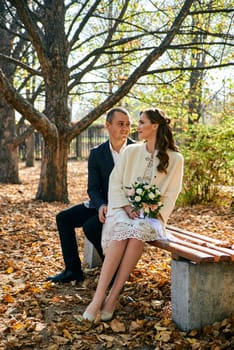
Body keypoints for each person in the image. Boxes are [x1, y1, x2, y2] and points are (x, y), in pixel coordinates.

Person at [82, 107, 184, 321]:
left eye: (141, 122)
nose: (135, 127)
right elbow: (115, 182)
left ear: (154, 126)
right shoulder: (131, 151)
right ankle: (99, 297)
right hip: (123, 208)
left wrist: (150, 210)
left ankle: (113, 297)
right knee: (122, 230)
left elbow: (171, 194)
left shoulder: (175, 159)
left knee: (137, 233)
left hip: (152, 216)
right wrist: (127, 207)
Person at [46, 107, 134, 283]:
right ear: (107, 126)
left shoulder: (136, 151)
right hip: (102, 204)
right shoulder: (96, 153)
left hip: (126, 207)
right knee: (63, 218)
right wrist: (101, 205)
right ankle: (73, 270)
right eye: (120, 124)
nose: (125, 128)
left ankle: (114, 271)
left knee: (91, 226)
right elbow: (93, 188)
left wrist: (119, 206)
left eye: (128, 124)